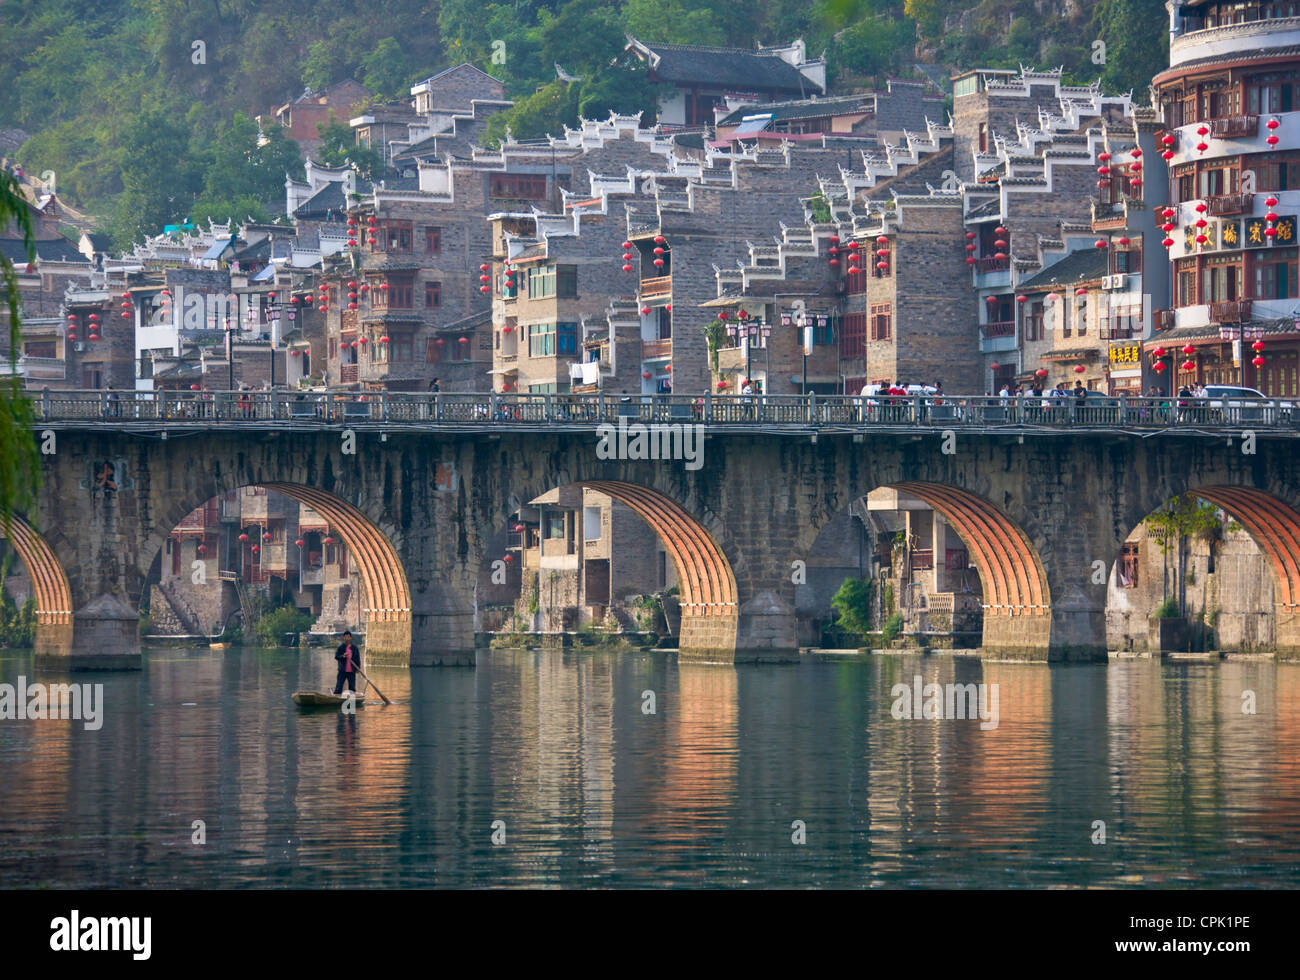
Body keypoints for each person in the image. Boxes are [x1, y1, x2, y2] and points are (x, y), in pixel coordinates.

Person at [333, 631, 361, 696]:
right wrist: (343, 656)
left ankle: (352, 700)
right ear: (344, 638)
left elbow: (357, 659)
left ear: (351, 638)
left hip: (352, 671)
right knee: (339, 686)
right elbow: (336, 657)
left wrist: (358, 668)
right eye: (345, 637)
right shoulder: (341, 647)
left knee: (352, 688)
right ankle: (336, 698)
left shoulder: (354, 648)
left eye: (348, 637)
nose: (347, 638)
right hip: (342, 670)